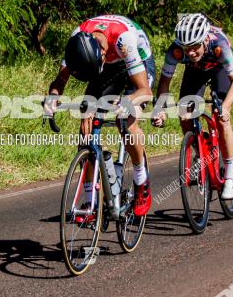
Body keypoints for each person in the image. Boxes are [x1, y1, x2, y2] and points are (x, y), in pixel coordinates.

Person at [44, 15, 155, 217]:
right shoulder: (78, 39)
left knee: (127, 123)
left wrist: (126, 102)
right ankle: (90, 202)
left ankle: (141, 181)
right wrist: (52, 97)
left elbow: (145, 91)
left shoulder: (124, 41)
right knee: (86, 126)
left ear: (102, 53)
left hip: (136, 61)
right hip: (107, 66)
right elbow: (60, 80)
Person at [152, 13, 233, 199]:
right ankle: (199, 151)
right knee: (184, 113)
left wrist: (225, 107)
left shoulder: (219, 45)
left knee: (220, 118)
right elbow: (164, 84)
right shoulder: (176, 51)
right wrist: (160, 109)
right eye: (187, 48)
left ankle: (229, 175)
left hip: (218, 70)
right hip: (195, 72)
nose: (191, 52)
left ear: (204, 40)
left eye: (195, 47)